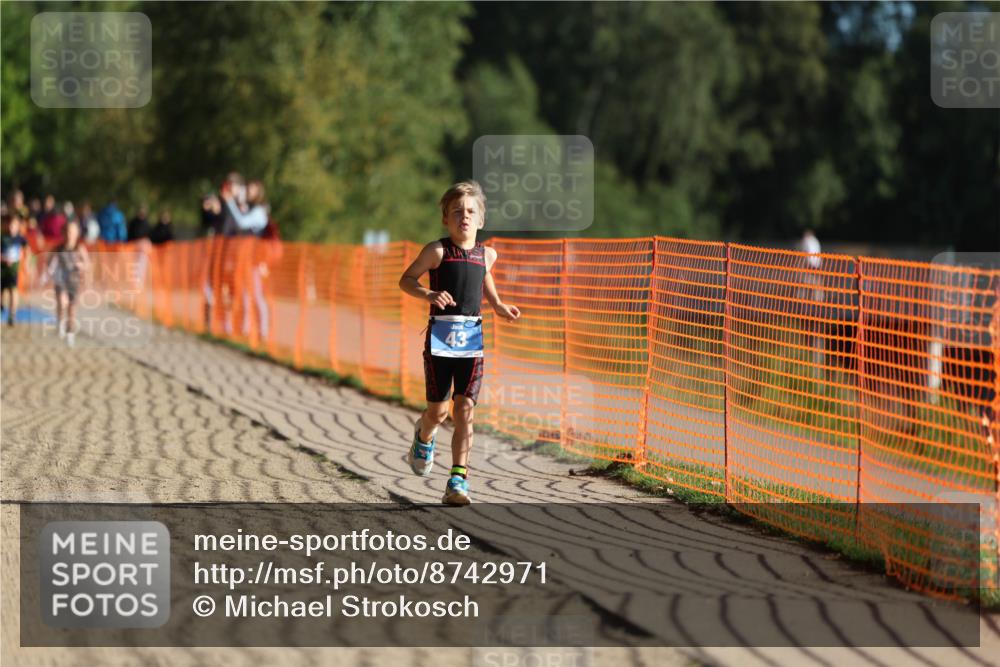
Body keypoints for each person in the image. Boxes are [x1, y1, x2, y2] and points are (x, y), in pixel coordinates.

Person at [398, 180, 520, 505]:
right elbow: (406, 280)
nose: (463, 217)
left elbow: (484, 276)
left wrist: (497, 305)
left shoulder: (487, 254)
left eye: (470, 211)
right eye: (456, 212)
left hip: (472, 344)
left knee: (465, 409)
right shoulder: (436, 251)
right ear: (445, 219)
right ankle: (423, 437)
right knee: (438, 412)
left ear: (481, 219)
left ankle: (457, 481)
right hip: (439, 343)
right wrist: (429, 293)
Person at [47, 219, 89, 347]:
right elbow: (50, 261)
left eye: (72, 232)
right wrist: (50, 269)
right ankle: (60, 322)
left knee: (72, 310)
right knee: (61, 301)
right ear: (63, 233)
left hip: (74, 282)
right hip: (60, 281)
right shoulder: (58, 248)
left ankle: (70, 333)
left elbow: (87, 264)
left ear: (77, 234)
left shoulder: (80, 248)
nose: (69, 234)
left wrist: (81, 265)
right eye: (67, 231)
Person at [1, 214, 29, 326]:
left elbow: (27, 248)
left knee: (13, 291)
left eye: (14, 225)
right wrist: (3, 258)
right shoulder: (2, 237)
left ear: (18, 226)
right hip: (2, 269)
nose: (11, 227)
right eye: (9, 224)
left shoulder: (20, 238)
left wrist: (26, 262)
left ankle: (12, 315)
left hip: (13, 270)